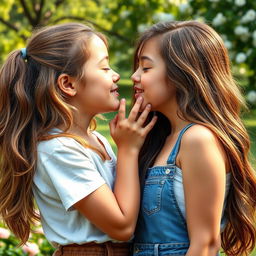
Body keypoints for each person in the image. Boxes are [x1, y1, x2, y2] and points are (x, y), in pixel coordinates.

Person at [0, 23, 157, 256]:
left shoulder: (95, 140)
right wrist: (128, 150)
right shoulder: (58, 149)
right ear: (68, 84)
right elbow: (122, 226)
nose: (116, 75)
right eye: (104, 68)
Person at [131, 20, 256, 256]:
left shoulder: (197, 139)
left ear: (182, 73)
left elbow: (206, 245)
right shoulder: (161, 139)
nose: (134, 76)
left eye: (146, 68)